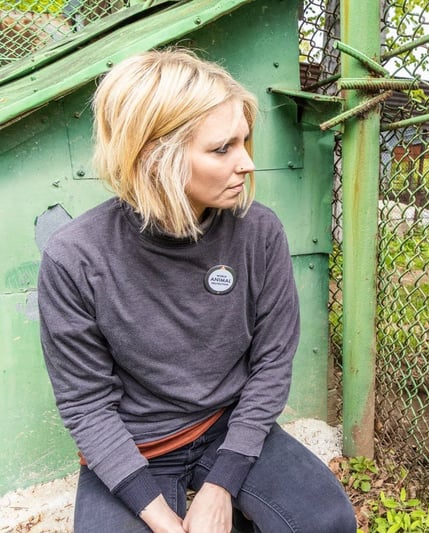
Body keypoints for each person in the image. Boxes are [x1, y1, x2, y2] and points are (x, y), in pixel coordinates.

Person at [37, 48, 357, 533]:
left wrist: (222, 484)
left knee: (327, 521)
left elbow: (271, 364)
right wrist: (160, 517)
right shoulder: (74, 258)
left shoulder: (259, 233)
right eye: (222, 148)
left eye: (246, 141)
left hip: (228, 424)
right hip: (136, 442)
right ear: (153, 156)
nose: (247, 163)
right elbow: (86, 404)